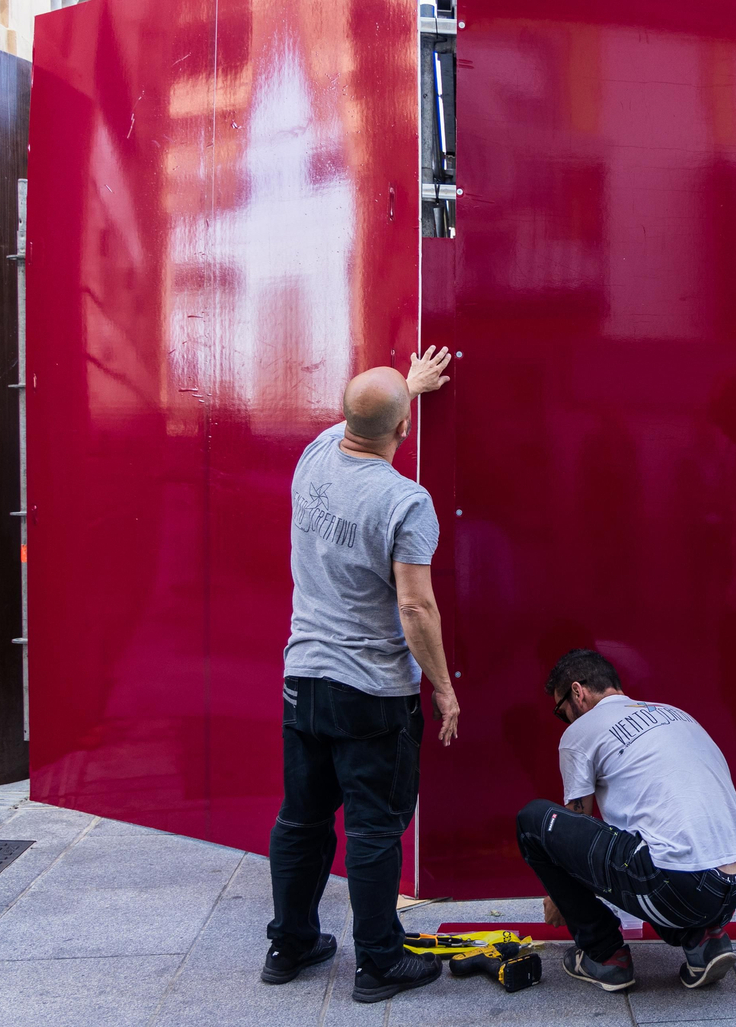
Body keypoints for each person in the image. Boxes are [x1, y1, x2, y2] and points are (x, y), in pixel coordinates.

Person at [263, 346, 460, 1004]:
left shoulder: (317, 453)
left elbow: (365, 411)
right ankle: (379, 963)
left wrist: (405, 385)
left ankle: (290, 945)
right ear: (404, 430)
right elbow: (415, 606)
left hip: (304, 681)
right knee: (374, 828)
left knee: (302, 820)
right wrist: (442, 685)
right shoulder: (407, 502)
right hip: (373, 692)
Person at [516, 649, 736, 993]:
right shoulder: (675, 713)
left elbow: (574, 821)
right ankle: (702, 939)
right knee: (648, 846)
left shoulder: (581, 730)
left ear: (578, 692)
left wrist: (560, 898)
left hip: (678, 885)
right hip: (732, 886)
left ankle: (605, 954)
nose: (565, 719)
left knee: (533, 821)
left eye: (561, 710)